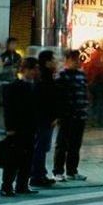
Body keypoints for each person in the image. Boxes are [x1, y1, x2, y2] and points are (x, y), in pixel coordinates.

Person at [0, 59, 40, 197]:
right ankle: (7, 185)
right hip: (17, 128)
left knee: (27, 157)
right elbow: (9, 109)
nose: (35, 72)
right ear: (26, 69)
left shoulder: (34, 86)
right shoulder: (13, 86)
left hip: (30, 127)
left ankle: (22, 184)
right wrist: (10, 127)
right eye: (33, 69)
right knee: (13, 158)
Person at [53, 50, 89, 181]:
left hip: (80, 115)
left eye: (78, 59)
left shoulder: (82, 75)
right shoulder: (61, 75)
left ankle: (72, 170)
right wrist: (59, 115)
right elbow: (58, 97)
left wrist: (85, 110)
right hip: (66, 116)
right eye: (74, 59)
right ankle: (58, 171)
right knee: (62, 144)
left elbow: (85, 93)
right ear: (67, 60)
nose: (77, 62)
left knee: (75, 145)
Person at [29, 51, 58, 188]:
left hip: (45, 117)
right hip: (44, 118)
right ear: (47, 62)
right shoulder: (44, 78)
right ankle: (37, 175)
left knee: (42, 146)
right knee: (40, 146)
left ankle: (40, 173)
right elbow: (47, 99)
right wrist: (52, 116)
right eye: (53, 60)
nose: (56, 62)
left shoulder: (46, 76)